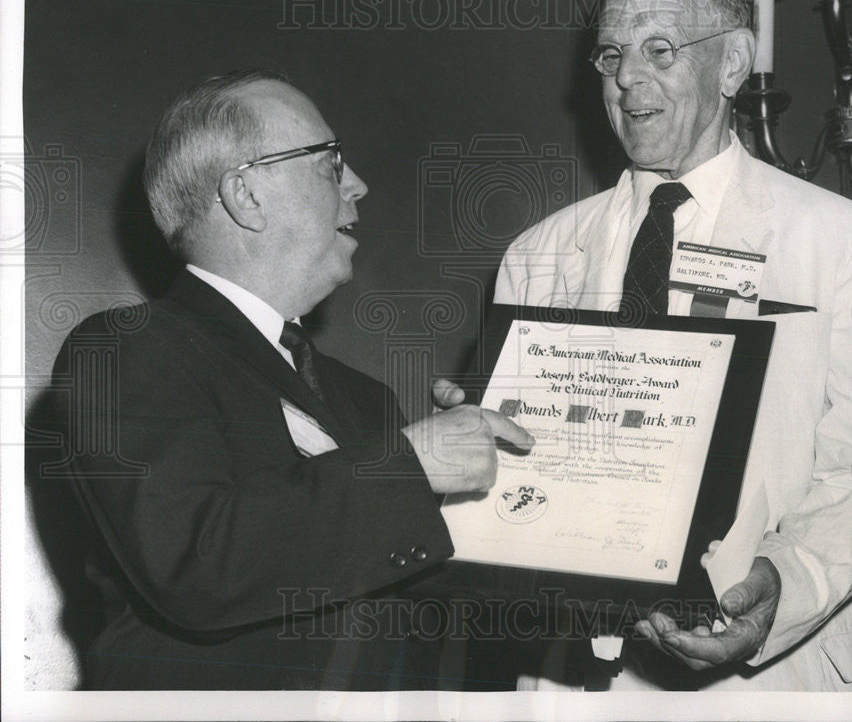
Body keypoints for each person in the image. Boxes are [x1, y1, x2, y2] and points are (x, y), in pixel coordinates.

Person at [493, 0, 852, 691]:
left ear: (732, 66)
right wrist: (474, 456)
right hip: (584, 682)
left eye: (660, 50)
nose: (627, 78)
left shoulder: (838, 238)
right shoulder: (538, 255)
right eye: (611, 55)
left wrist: (780, 584)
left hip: (779, 680)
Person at [53, 69, 533, 690]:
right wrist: (410, 465)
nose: (358, 184)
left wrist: (498, 483)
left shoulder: (365, 399)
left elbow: (406, 596)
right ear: (246, 195)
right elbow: (196, 566)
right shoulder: (127, 350)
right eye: (329, 162)